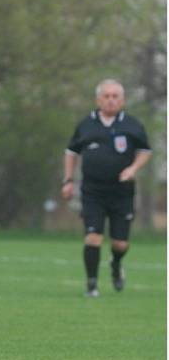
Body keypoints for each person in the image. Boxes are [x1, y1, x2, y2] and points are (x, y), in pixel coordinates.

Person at [61, 79, 151, 298]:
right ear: (98, 99)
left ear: (122, 100)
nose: (111, 100)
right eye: (106, 96)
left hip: (122, 193)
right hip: (93, 192)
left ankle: (116, 264)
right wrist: (68, 180)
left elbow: (145, 151)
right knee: (93, 237)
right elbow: (71, 152)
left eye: (115, 96)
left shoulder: (132, 125)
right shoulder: (86, 125)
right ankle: (91, 286)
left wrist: (133, 168)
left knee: (120, 243)